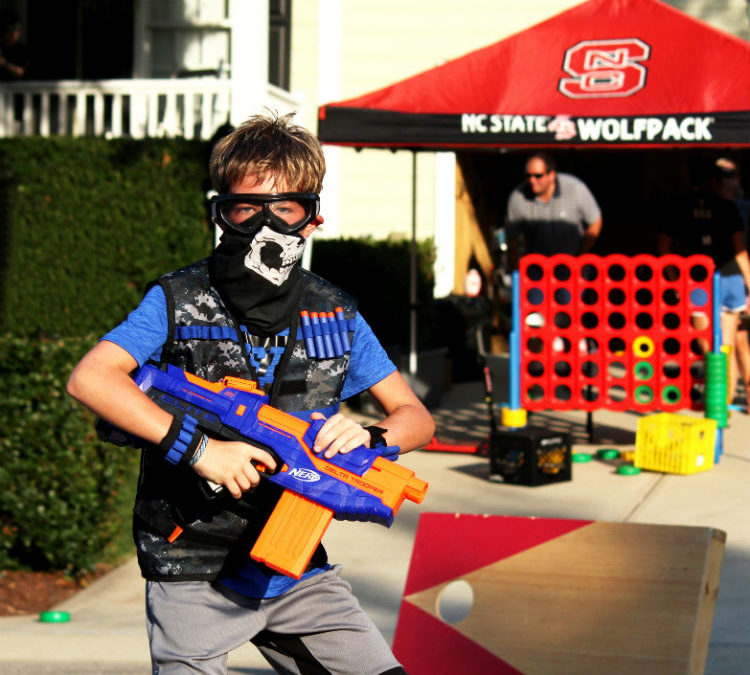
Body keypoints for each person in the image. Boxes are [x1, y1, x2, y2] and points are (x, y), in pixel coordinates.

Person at [67, 112, 434, 674]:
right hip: (192, 563)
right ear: (221, 213)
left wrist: (371, 436)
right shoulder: (178, 298)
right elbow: (92, 377)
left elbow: (415, 417)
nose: (265, 224)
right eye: (246, 207)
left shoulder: (334, 311)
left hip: (297, 569)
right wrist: (201, 450)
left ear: (310, 219)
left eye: (284, 208)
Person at [657, 157, 750, 409]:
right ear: (714, 179)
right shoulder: (712, 206)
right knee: (722, 349)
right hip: (718, 279)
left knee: (713, 349)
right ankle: (721, 409)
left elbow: (664, 248)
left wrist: (674, 280)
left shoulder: (689, 205)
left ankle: (721, 408)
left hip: (706, 279)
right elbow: (740, 251)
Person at [505, 153, 602, 269]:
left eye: (538, 176)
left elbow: (596, 221)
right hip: (537, 273)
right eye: (528, 176)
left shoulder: (575, 188)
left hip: (572, 270)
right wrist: (514, 274)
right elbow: (512, 240)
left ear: (551, 175)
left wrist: (581, 255)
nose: (532, 180)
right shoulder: (518, 197)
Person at [714, 157, 750, 411]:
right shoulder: (719, 207)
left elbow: (741, 249)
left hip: (740, 277)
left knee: (738, 340)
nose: (728, 179)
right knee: (737, 340)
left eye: (731, 174)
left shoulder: (741, 207)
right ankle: (727, 400)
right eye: (723, 174)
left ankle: (734, 398)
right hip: (734, 277)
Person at [0, 10, 28, 80]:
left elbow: (20, 72)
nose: (14, 33)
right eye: (9, 29)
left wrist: (4, 63)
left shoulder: (22, 50)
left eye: (17, 29)